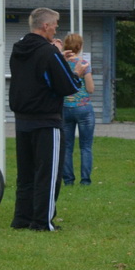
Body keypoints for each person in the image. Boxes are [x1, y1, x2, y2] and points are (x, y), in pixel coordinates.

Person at [8, 8, 81, 231]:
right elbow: (67, 86)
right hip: (46, 120)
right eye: (56, 24)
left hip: (22, 120)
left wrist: (59, 57)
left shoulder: (18, 48)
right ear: (46, 26)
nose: (57, 28)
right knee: (48, 174)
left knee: (26, 173)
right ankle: (42, 222)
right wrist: (75, 71)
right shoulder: (48, 53)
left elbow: (38, 73)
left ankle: (22, 218)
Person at [58, 33, 96, 187]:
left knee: (67, 147)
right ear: (80, 47)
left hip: (65, 108)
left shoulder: (61, 63)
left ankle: (68, 181)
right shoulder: (84, 64)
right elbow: (90, 88)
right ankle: (85, 181)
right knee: (85, 146)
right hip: (83, 108)